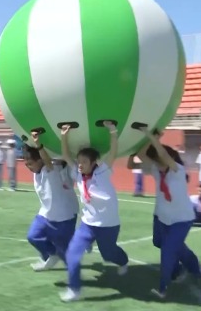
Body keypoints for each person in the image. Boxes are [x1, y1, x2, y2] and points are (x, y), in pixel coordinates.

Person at [59, 121, 129, 302]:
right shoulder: (77, 173)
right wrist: (64, 135)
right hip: (88, 224)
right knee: (72, 253)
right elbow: (66, 155)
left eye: (84, 162)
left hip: (108, 224)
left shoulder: (103, 171)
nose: (80, 164)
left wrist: (112, 131)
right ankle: (74, 289)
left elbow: (113, 152)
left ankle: (123, 261)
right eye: (79, 161)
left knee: (109, 254)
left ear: (93, 162)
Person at [135, 127, 201, 298]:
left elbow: (165, 156)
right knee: (161, 243)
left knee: (168, 250)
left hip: (181, 219)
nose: (157, 160)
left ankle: (163, 288)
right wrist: (147, 138)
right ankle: (192, 265)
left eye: (159, 157)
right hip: (162, 217)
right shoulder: (156, 171)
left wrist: (153, 137)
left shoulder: (177, 170)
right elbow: (141, 155)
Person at [22, 132, 79, 272]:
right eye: (26, 164)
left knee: (68, 255)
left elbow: (48, 161)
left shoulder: (52, 169)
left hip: (65, 217)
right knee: (33, 236)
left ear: (40, 160)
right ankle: (51, 255)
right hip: (46, 214)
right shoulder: (38, 173)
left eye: (30, 163)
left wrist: (38, 144)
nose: (28, 167)